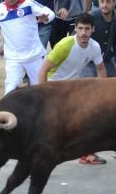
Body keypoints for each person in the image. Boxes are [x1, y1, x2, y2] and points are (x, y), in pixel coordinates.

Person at [38, 14, 107, 165]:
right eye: (80, 28)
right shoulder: (65, 45)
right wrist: (43, 96)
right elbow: (43, 70)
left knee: (87, 119)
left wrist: (102, 93)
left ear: (93, 30)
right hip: (53, 87)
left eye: (87, 29)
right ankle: (35, 160)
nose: (83, 32)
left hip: (71, 89)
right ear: (75, 29)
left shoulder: (94, 47)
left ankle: (87, 154)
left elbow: (101, 69)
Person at [0, 0, 54, 93]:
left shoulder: (29, 3)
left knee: (41, 88)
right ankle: (8, 110)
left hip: (34, 55)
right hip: (13, 57)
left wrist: (46, 17)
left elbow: (49, 12)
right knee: (10, 89)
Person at [87, 0, 116, 78]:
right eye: (102, 1)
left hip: (106, 61)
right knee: (88, 84)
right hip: (88, 62)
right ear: (98, 2)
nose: (104, 5)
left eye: (108, 2)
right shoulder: (90, 17)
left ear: (114, 3)